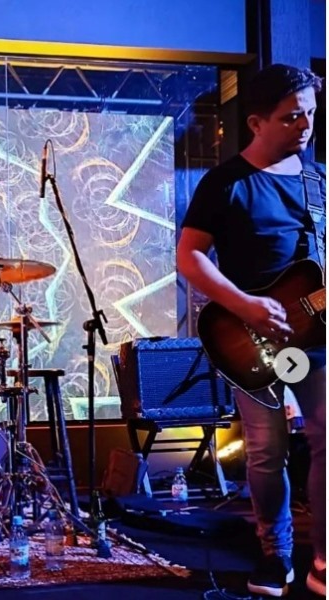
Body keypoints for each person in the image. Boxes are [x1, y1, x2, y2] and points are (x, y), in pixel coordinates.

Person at [177, 64, 325, 598]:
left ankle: (323, 562)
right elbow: (190, 256)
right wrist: (245, 304)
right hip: (247, 335)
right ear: (257, 122)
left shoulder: (319, 182)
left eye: (311, 113)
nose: (305, 125)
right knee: (266, 450)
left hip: (315, 338)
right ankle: (275, 554)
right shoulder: (226, 183)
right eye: (291, 117)